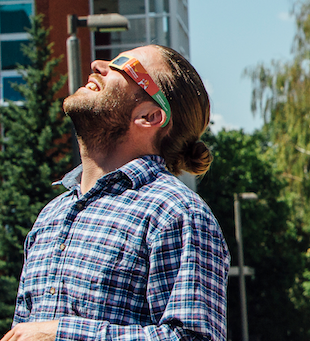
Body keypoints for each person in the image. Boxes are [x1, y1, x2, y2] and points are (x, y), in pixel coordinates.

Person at [5, 45, 229, 341]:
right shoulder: (52, 215)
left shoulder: (177, 213)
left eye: (122, 66)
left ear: (150, 116)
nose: (98, 64)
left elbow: (194, 337)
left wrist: (62, 334)